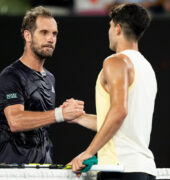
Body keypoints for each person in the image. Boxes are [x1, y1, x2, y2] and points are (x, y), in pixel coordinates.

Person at [68, 3, 157, 180]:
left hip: (120, 170)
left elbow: (119, 112)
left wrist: (88, 152)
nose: (108, 32)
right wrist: (81, 118)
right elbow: (121, 124)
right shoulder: (147, 68)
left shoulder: (115, 62)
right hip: (143, 170)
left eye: (109, 26)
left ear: (117, 28)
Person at [0, 6, 84, 164]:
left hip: (43, 169)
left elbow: (42, 125)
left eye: (54, 34)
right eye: (44, 32)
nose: (51, 39)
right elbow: (15, 121)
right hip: (14, 171)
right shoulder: (11, 76)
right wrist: (60, 114)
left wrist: (67, 112)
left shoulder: (50, 78)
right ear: (27, 35)